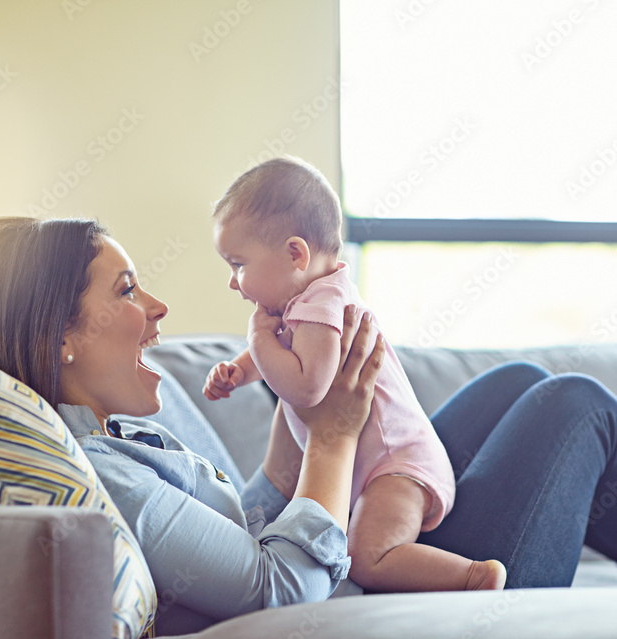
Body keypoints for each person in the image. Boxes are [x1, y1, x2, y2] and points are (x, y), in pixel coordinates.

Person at [0, 217, 617, 635]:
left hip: (358, 565)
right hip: (379, 592)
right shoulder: (105, 483)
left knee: (517, 384)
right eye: (126, 292)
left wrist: (304, 420)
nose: (158, 308)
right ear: (55, 334)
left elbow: (252, 525)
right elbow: (276, 587)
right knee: (574, 410)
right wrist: (336, 437)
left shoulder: (117, 446)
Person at [203, 156, 505, 592]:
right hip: (386, 466)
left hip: (397, 467)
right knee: (361, 551)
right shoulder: (308, 299)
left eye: (238, 264)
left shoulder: (322, 307)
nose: (233, 282)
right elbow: (285, 349)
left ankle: (475, 576)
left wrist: (258, 339)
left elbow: (308, 387)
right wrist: (241, 370)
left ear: (295, 253)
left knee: (366, 559)